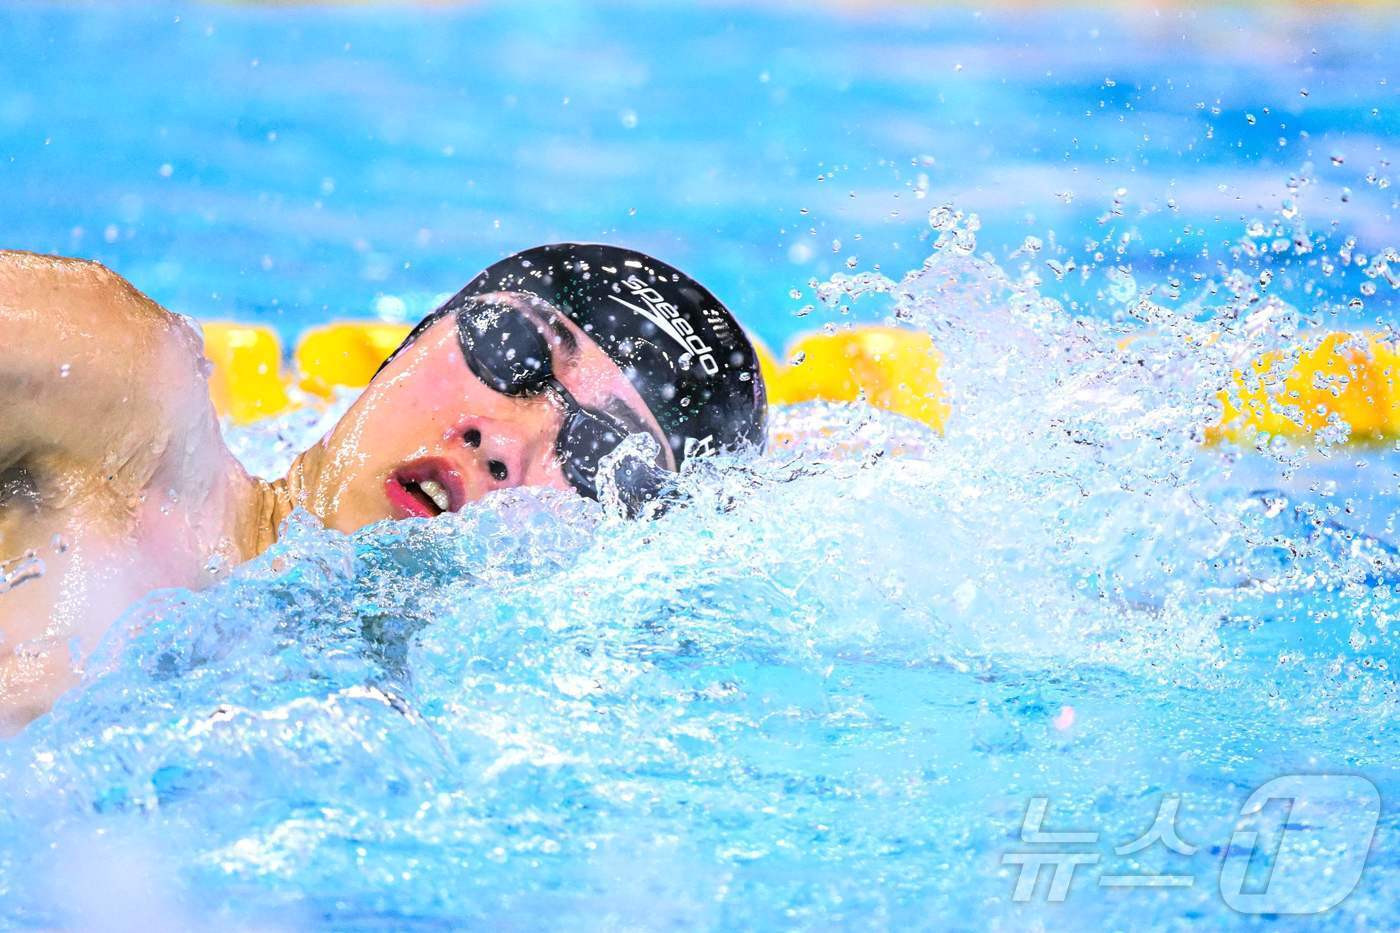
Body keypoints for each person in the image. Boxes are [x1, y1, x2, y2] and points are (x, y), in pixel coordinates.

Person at [0, 243, 767, 732]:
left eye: (604, 452)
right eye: (513, 349)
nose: (504, 442)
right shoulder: (124, 408)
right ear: (410, 341)